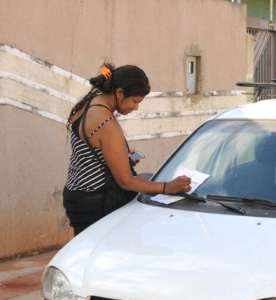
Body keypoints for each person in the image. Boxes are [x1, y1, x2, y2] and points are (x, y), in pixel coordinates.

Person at [63, 63, 191, 235]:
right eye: (135, 101)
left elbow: (89, 153)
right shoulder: (105, 122)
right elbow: (126, 181)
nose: (136, 107)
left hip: (76, 194)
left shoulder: (87, 105)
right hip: (96, 201)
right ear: (120, 93)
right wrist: (168, 187)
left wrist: (122, 157)